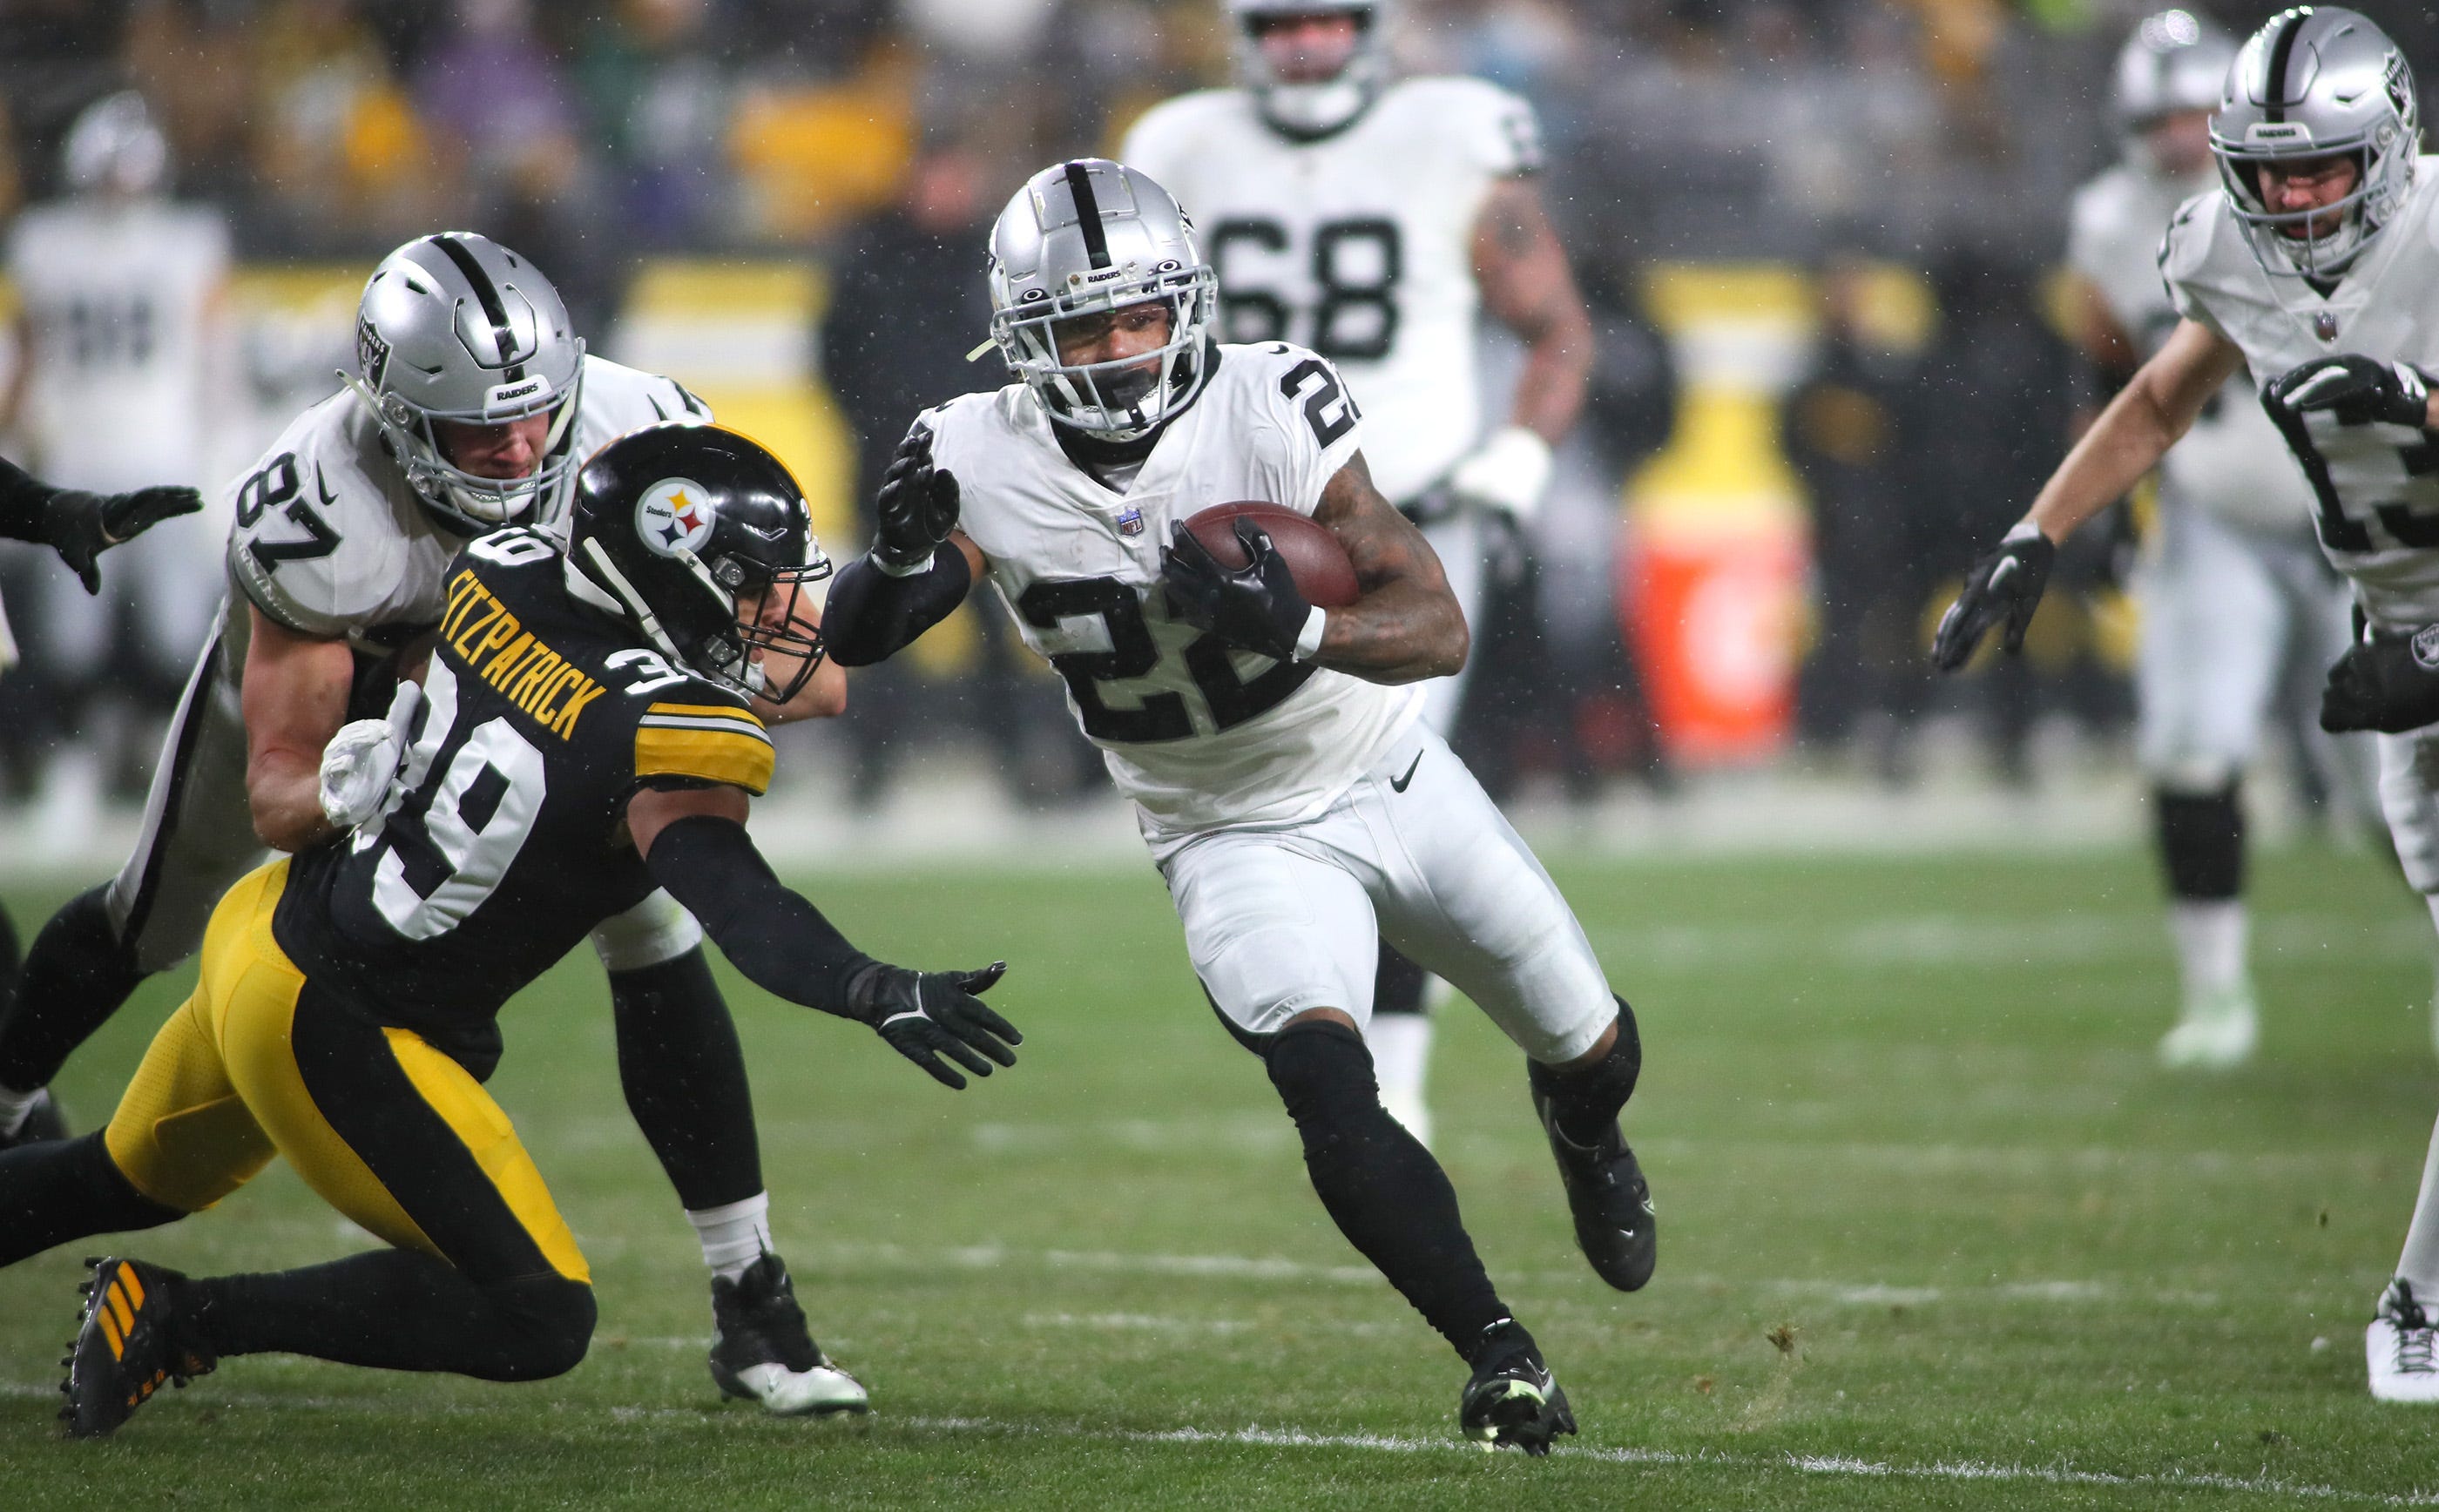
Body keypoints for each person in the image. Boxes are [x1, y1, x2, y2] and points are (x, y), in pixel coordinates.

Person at [821, 159, 1645, 1454]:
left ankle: (1583, 1129)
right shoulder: (975, 445)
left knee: (1599, 1050)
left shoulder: (1270, 398)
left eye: (1141, 316)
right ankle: (1500, 1354)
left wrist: (1302, 624)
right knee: (1327, 1079)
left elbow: (1436, 627)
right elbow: (867, 635)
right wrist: (901, 557)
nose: (1120, 349)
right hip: (1222, 827)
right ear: (1024, 337)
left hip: (1386, 770)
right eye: (1086, 326)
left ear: (1186, 306)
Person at [0, 423, 1022, 1439]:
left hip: (270, 925)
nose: (783, 610)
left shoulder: (500, 568)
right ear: (666, 580)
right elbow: (738, 898)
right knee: (538, 1311)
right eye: (752, 587)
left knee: (116, 1175)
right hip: (338, 1017)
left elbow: (485, 680)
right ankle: (183, 1315)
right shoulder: (661, 728)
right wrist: (869, 984)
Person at [1931, 5, 2439, 1405]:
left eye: (2319, 171)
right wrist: (2037, 531)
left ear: (2390, 145)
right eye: (2263, 172)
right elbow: (2155, 398)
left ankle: (2420, 1306)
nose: (2288, 200)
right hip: (2390, 602)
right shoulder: (2214, 245)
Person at [1121, 0, 1592, 1148]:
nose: (1305, 46)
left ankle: (1399, 1084)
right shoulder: (1178, 143)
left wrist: (1520, 456)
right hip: (1226, 533)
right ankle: (1339, 1042)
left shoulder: (1454, 129)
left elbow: (1557, 329)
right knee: (1248, 794)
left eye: (1329, 20)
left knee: (1383, 781)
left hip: (1403, 523)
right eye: (1282, 24)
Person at [2061, 11, 2360, 1070]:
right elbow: (2109, 367)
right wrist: (2087, 514)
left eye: (2198, 111)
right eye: (2160, 115)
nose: (2181, 134)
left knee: (2390, 782)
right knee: (2190, 750)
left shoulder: (2320, 201)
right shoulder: (2107, 220)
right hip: (2211, 508)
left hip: (2357, 513)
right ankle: (2216, 993)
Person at [0, 91, 229, 833]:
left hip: (90, 454)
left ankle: (97, 758)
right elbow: (211, 357)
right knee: (140, 634)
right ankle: (125, 759)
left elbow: (28, 362)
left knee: (98, 633)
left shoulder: (44, 242)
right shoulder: (186, 240)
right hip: (147, 451)